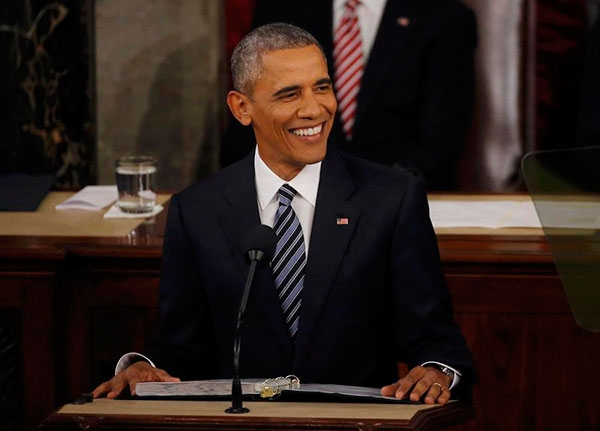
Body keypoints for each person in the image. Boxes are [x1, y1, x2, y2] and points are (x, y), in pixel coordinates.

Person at [93, 23, 474, 404]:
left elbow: (435, 338)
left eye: (322, 87)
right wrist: (142, 366)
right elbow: (179, 347)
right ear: (242, 108)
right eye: (289, 94)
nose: (314, 109)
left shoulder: (391, 199)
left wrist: (436, 369)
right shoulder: (196, 210)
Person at [220, 0, 477, 190]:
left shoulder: (445, 18)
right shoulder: (284, 8)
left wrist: (374, 195)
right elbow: (255, 118)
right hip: (295, 194)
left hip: (400, 196)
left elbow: (441, 138)